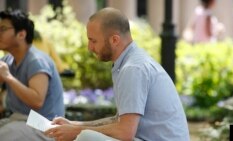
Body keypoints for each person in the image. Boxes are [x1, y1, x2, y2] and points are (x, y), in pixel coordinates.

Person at [45, 7, 190, 141]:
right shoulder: (129, 63)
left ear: (114, 40)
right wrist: (74, 125)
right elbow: (119, 121)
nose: (90, 48)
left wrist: (76, 131)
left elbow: (125, 132)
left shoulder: (133, 68)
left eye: (93, 41)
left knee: (86, 138)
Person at [0, 9, 65, 140]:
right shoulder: (8, 60)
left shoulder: (36, 61)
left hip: (45, 127)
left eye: (3, 29)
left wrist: (8, 77)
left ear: (21, 34)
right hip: (19, 121)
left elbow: (37, 101)